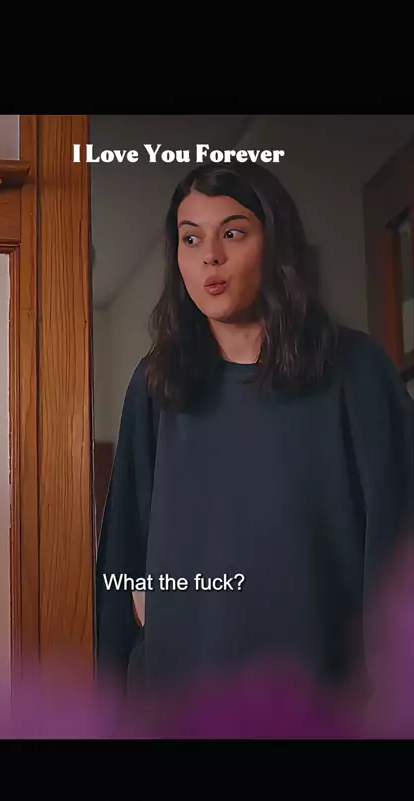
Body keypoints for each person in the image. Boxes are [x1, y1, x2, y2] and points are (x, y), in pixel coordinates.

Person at [95, 161, 414, 700]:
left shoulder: (356, 370)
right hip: (181, 698)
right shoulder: (156, 383)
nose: (210, 256)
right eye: (190, 238)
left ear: (275, 244)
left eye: (233, 233)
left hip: (322, 701)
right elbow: (125, 554)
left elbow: (398, 548)